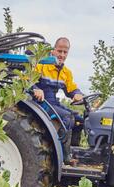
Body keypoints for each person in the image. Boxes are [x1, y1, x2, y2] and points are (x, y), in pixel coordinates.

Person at [33, 37, 84, 165]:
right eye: (59, 51)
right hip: (41, 101)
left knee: (79, 120)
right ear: (53, 51)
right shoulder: (41, 65)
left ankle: (73, 151)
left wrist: (77, 94)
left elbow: (71, 89)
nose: (61, 55)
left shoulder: (66, 72)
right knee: (67, 117)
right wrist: (35, 88)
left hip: (54, 102)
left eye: (65, 52)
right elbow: (27, 80)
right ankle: (63, 157)